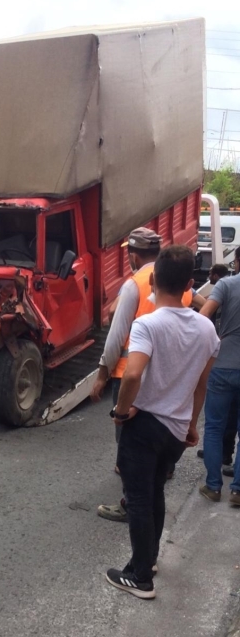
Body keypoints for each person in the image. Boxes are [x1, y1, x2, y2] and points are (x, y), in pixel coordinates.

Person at [105, 245, 219, 599]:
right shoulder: (206, 330)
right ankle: (148, 560)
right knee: (154, 493)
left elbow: (133, 373)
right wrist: (191, 424)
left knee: (138, 498)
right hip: (175, 429)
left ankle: (140, 578)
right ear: (189, 284)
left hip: (144, 426)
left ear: (152, 279)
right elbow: (201, 384)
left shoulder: (148, 325)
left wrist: (122, 413)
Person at [91, 227, 192, 520]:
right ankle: (160, 476)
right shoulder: (181, 286)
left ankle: (130, 504)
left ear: (133, 256)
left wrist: (101, 374)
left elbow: (115, 337)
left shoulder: (134, 285)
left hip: (130, 375)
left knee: (129, 443)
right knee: (159, 432)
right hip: (168, 373)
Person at [198, 246, 240, 505]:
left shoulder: (225, 285)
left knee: (214, 427)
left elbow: (203, 317)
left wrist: (215, 340)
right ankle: (238, 491)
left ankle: (213, 487)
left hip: (223, 364)